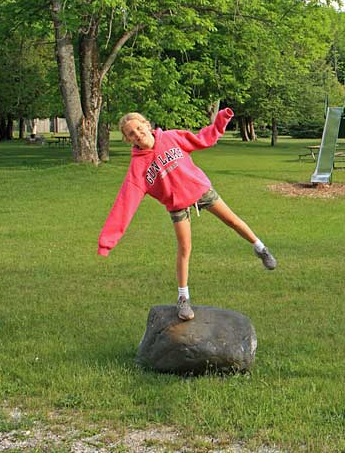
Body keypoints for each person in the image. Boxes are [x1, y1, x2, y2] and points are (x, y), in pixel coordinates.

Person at [97, 109, 276, 321]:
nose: (137, 134)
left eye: (138, 127)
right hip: (177, 205)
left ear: (147, 124)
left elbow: (201, 139)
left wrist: (221, 120)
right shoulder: (138, 168)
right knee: (185, 248)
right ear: (128, 139)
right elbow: (125, 203)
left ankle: (261, 249)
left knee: (233, 220)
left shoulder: (171, 137)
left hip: (200, 190)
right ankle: (183, 298)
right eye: (131, 133)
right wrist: (107, 242)